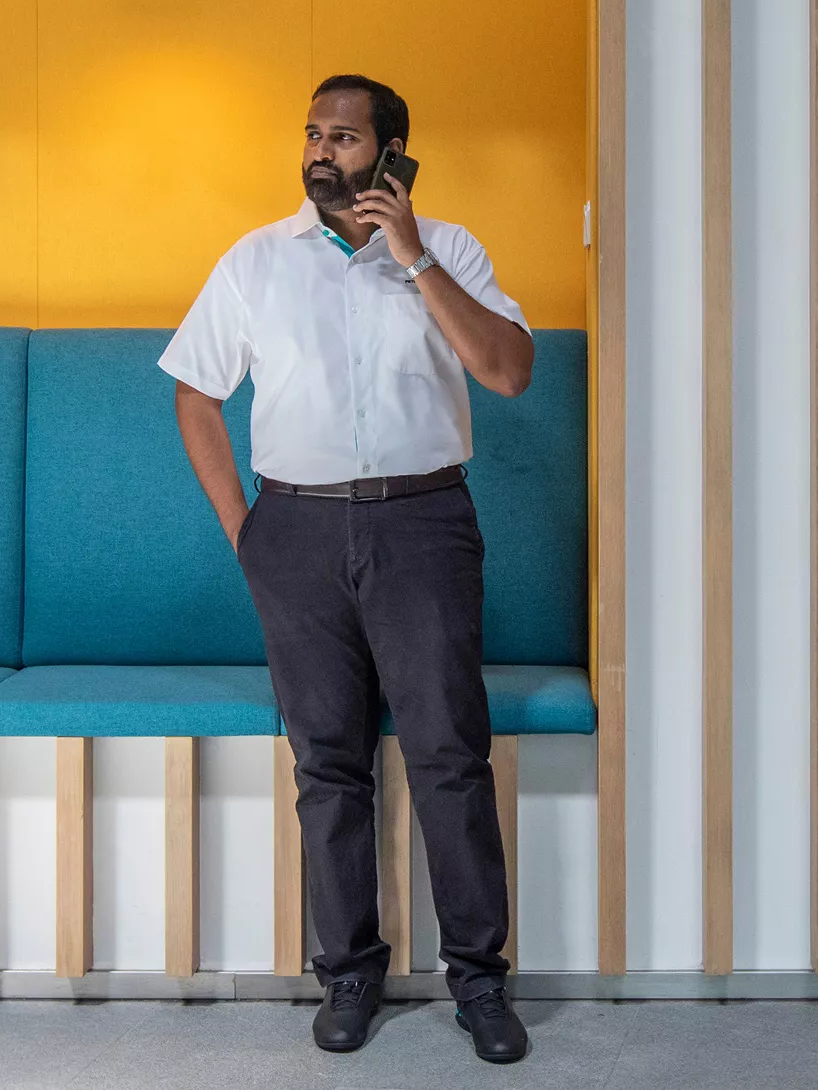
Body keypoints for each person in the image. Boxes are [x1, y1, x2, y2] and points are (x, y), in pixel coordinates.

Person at [159, 74, 536, 1062]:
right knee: (327, 762)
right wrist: (246, 531)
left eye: (345, 137)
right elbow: (195, 394)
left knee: (449, 754)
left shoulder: (450, 248)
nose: (322, 151)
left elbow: (507, 371)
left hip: (424, 524)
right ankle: (350, 974)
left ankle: (480, 981)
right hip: (296, 530)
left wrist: (412, 258)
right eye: (313, 134)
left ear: (393, 154)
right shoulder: (255, 261)